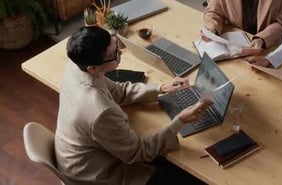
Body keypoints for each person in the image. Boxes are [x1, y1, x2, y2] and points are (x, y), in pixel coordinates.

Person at [55, 26, 211, 185]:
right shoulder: (101, 111)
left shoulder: (77, 66)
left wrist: (161, 88)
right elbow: (140, 153)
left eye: (117, 46)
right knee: (194, 174)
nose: (120, 53)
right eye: (114, 54)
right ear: (93, 68)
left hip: (79, 157)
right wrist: (180, 121)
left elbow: (119, 91)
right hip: (96, 176)